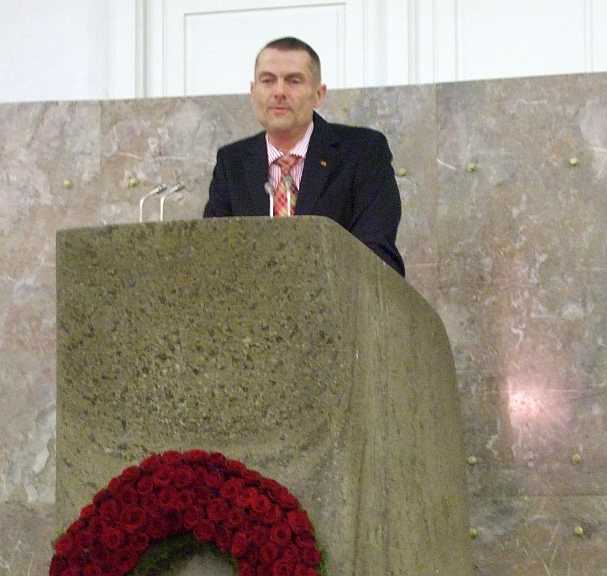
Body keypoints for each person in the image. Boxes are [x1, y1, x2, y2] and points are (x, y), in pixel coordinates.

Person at [203, 37, 405, 276]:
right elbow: (212, 254)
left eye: (294, 81)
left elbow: (376, 253)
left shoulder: (363, 152)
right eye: (267, 80)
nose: (279, 92)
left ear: (319, 94)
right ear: (253, 92)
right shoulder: (232, 163)